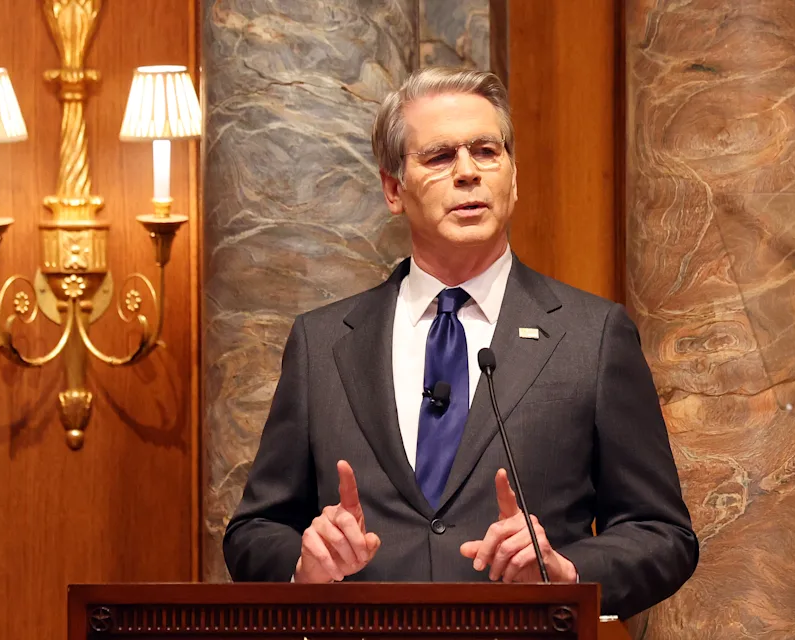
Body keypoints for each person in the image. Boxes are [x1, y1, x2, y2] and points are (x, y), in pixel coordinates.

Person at [223, 66, 698, 620]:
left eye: (486, 151)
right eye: (440, 156)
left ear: (514, 178)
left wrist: (565, 573)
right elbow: (254, 530)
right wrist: (304, 565)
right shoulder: (322, 343)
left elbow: (663, 534)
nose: (468, 172)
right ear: (393, 190)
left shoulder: (591, 337)